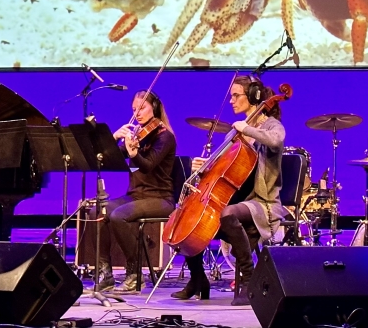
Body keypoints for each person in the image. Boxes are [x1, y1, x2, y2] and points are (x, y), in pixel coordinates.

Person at [173, 75, 286, 305]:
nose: (232, 101)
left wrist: (248, 129)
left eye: (236, 95)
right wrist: (205, 168)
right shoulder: (233, 134)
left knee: (228, 214)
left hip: (262, 203)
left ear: (253, 96)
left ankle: (248, 279)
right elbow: (224, 172)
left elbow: (275, 140)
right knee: (189, 222)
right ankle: (198, 279)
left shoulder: (270, 126)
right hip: (235, 200)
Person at [93, 90, 177, 292]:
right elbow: (107, 159)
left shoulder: (165, 137)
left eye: (142, 108)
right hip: (135, 196)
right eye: (134, 109)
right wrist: (114, 138)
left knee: (119, 216)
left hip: (160, 198)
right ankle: (106, 274)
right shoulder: (137, 135)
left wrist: (134, 154)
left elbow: (147, 166)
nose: (137, 113)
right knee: (99, 211)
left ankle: (134, 273)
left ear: (154, 108)